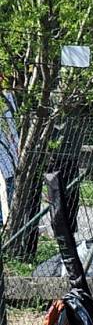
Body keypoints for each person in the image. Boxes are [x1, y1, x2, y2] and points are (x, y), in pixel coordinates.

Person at [0, 77, 19, 225]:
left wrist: (16, 143)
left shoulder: (6, 98)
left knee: (10, 181)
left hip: (8, 148)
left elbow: (11, 124)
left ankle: (8, 219)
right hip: (5, 147)